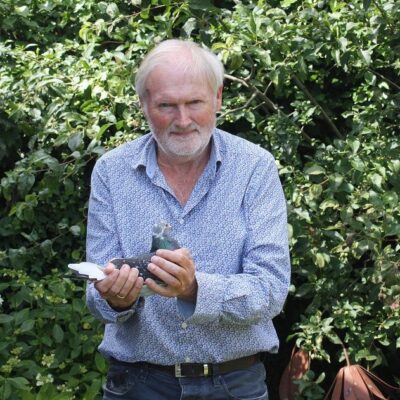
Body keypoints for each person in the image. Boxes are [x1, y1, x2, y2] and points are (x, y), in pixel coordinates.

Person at [85, 39, 291, 400]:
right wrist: (116, 299)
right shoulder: (112, 172)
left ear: (218, 98)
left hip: (235, 385)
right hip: (138, 385)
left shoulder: (254, 168)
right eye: (166, 106)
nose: (182, 121)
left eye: (195, 103)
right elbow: (96, 293)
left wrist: (195, 289)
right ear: (144, 104)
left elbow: (270, 290)